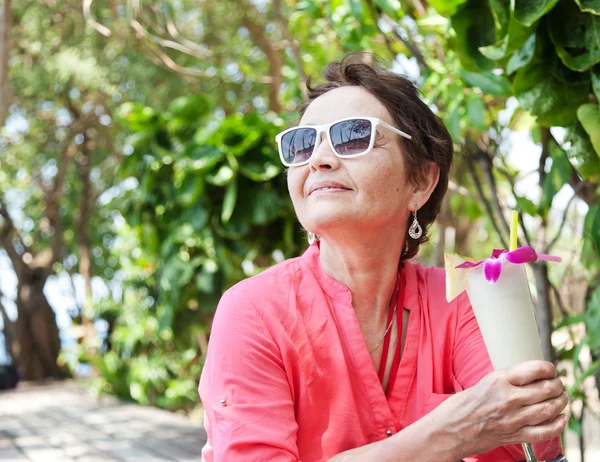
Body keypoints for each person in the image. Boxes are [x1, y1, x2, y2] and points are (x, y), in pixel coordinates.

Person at [198, 53, 569, 462]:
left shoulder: (460, 302)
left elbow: (527, 440)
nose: (318, 159)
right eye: (301, 144)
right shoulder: (253, 312)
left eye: (353, 136)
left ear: (421, 181)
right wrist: (452, 433)